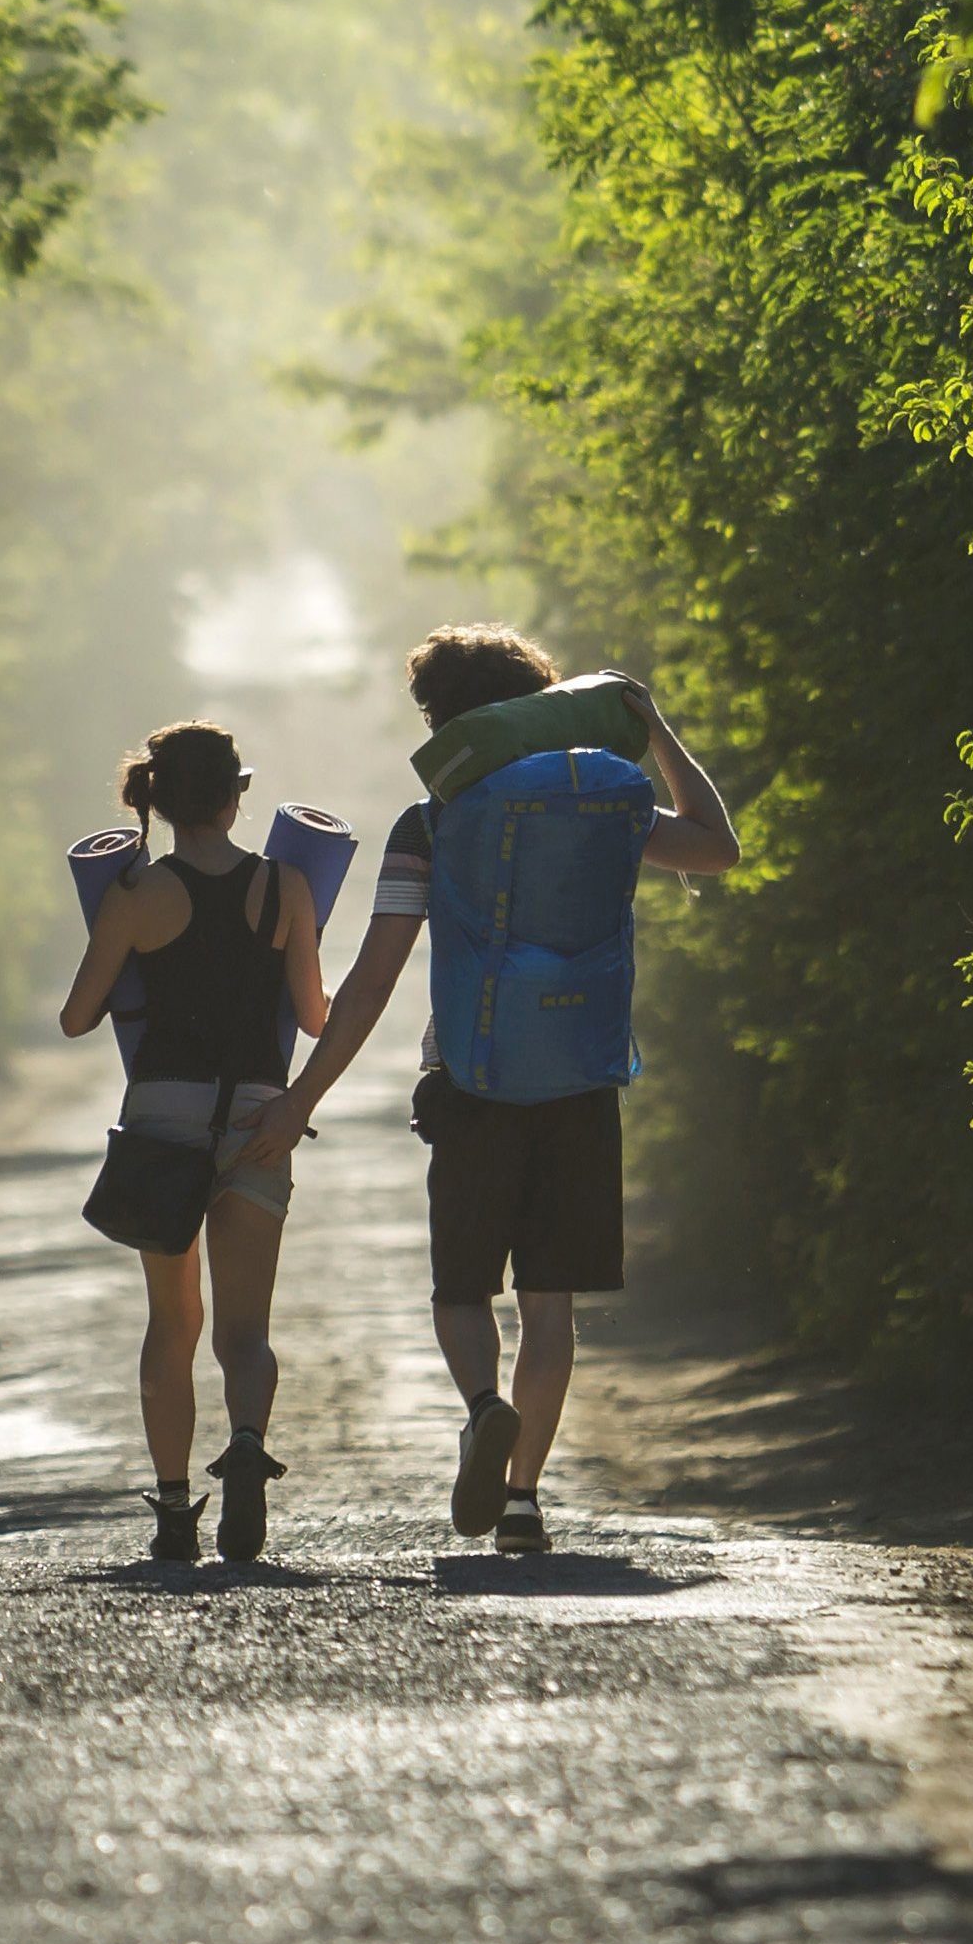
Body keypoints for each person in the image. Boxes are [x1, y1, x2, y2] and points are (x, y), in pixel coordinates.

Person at [230, 627, 734, 1557]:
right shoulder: (607, 808)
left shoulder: (432, 821)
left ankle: (482, 1405)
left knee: (462, 1293)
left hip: (469, 1079)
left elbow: (376, 978)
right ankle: (524, 1500)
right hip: (584, 1077)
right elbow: (717, 848)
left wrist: (301, 1098)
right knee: (551, 1306)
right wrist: (652, 725)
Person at [56, 719, 330, 1566]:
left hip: (164, 1118)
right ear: (235, 794)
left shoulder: (138, 896)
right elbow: (316, 1016)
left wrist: (120, 939)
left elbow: (75, 1017)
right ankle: (246, 1441)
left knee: (171, 1324)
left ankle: (175, 1509)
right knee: (244, 1333)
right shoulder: (287, 885)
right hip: (257, 1115)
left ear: (159, 800)